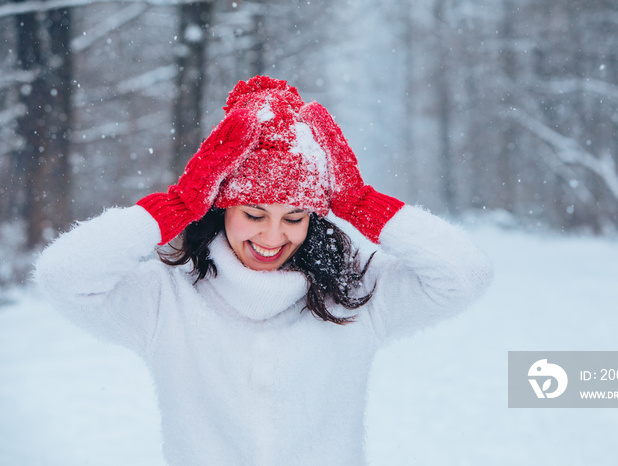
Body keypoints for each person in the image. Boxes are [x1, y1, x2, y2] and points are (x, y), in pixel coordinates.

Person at [35, 76, 493, 465]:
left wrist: (362, 204)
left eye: (295, 217)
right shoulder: (165, 299)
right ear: (221, 209)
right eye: (254, 215)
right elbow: (62, 277)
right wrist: (175, 206)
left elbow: (465, 275)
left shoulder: (354, 293)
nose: (273, 237)